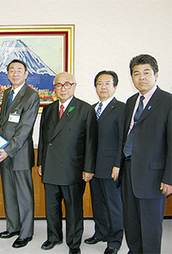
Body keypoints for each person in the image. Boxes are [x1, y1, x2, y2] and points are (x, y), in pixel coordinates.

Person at [38, 72, 97, 254]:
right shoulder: (48, 109)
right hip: (50, 166)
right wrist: (41, 162)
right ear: (54, 88)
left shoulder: (85, 109)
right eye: (58, 85)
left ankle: (73, 243)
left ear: (74, 86)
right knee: (52, 207)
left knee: (73, 209)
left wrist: (88, 168)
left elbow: (91, 142)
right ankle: (54, 237)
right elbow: (42, 139)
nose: (63, 88)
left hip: (73, 168)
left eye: (67, 84)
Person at [120, 54, 172, 254]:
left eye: (146, 72)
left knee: (150, 226)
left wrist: (169, 178)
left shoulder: (167, 101)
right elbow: (125, 137)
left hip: (153, 176)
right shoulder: (131, 101)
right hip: (129, 171)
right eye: (136, 73)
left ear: (156, 74)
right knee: (131, 222)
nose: (141, 77)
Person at [0, 59, 40, 248]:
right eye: (11, 70)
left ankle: (26, 232)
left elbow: (25, 128)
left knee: (23, 194)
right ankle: (13, 227)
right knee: (9, 192)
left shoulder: (31, 95)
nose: (15, 73)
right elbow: (3, 124)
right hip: (3, 151)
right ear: (7, 74)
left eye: (19, 70)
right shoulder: (7, 93)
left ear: (26, 73)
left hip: (19, 152)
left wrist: (8, 149)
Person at [84, 70, 125, 254]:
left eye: (108, 83)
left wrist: (118, 164)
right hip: (93, 167)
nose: (103, 87)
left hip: (111, 168)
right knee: (98, 203)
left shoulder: (122, 109)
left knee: (114, 206)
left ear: (115, 86)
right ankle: (100, 233)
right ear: (95, 87)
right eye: (100, 83)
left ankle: (115, 241)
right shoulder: (91, 109)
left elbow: (122, 140)